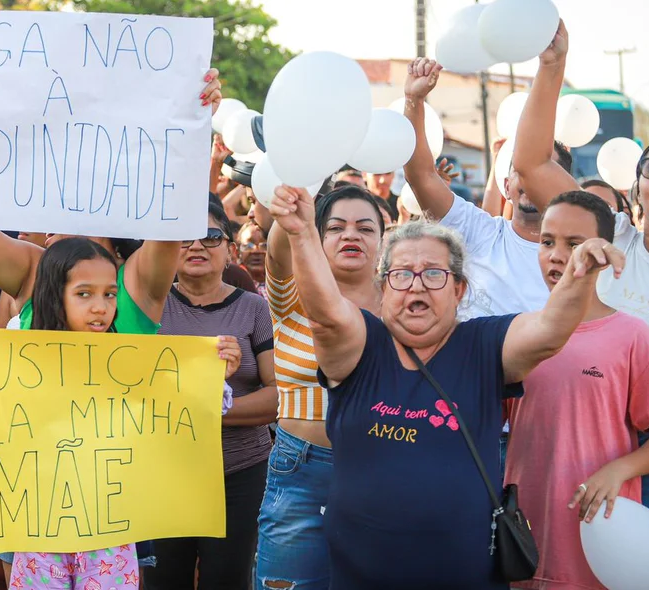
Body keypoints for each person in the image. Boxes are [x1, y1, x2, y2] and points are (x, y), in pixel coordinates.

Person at [268, 182, 619, 588]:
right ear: (382, 291)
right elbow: (326, 314)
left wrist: (579, 276)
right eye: (401, 274)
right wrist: (301, 233)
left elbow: (547, 331)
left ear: (459, 290)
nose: (416, 285)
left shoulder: (485, 344)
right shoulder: (362, 345)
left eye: (434, 273)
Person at [0, 237, 241, 590]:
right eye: (84, 294)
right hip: (40, 529)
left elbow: (176, 406)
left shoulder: (131, 358)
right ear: (55, 295)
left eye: (109, 294)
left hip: (110, 531)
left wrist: (211, 376)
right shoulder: (19, 351)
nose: (101, 306)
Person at [506, 190, 649, 588]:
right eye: (547, 241)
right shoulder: (517, 332)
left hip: (602, 537)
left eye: (575, 244)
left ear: (604, 253)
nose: (557, 255)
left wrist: (618, 470)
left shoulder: (630, 336)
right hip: (524, 533)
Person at [255, 184, 385, 590]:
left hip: (383, 468)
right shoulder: (294, 294)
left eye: (365, 228)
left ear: (384, 241)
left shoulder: (402, 300)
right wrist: (297, 202)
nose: (350, 235)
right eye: (336, 227)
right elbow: (278, 253)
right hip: (301, 470)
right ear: (318, 236)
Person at [144, 201, 277, 590]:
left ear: (229, 249)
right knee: (164, 580)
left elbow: (276, 399)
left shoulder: (255, 309)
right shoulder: (149, 307)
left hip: (239, 474)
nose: (197, 245)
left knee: (227, 580)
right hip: (165, 472)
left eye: (211, 236)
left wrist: (209, 410)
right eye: (184, 237)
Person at [402, 48, 573, 321]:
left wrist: (553, 64)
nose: (529, 180)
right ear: (506, 185)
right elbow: (420, 176)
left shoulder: (584, 254)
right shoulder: (478, 231)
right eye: (519, 171)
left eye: (542, 171)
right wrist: (414, 100)